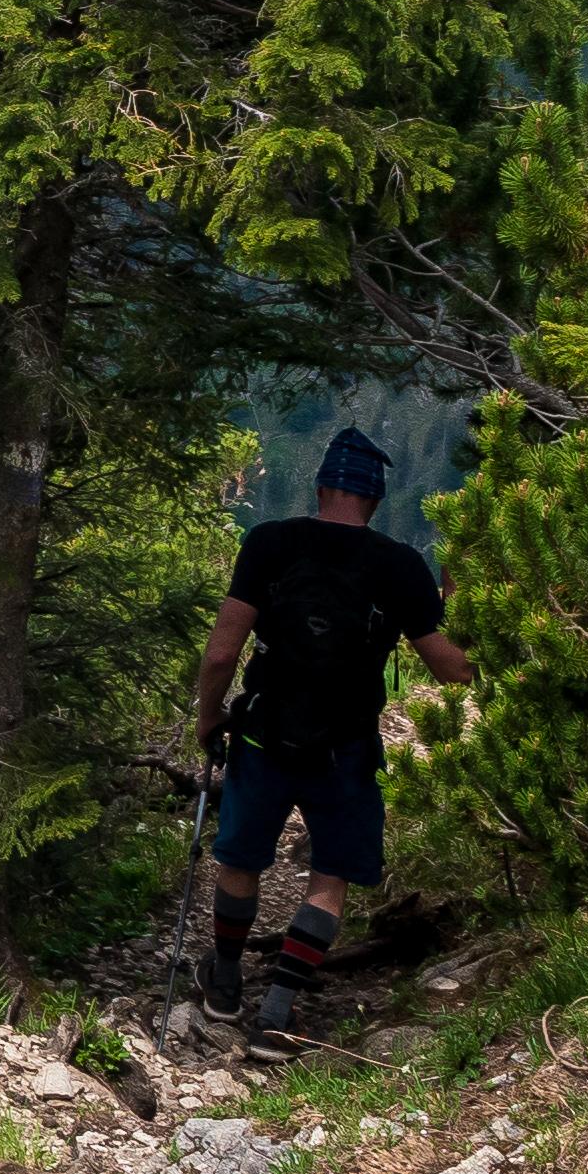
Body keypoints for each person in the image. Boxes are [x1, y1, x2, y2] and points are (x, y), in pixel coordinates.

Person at [186, 427, 475, 1031]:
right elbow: (453, 671)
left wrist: (210, 718)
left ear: (321, 487)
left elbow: (221, 654)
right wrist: (464, 604)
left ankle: (226, 983)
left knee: (240, 859)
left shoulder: (269, 543)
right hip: (347, 744)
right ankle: (278, 1012)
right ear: (376, 500)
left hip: (264, 732)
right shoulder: (400, 566)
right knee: (329, 875)